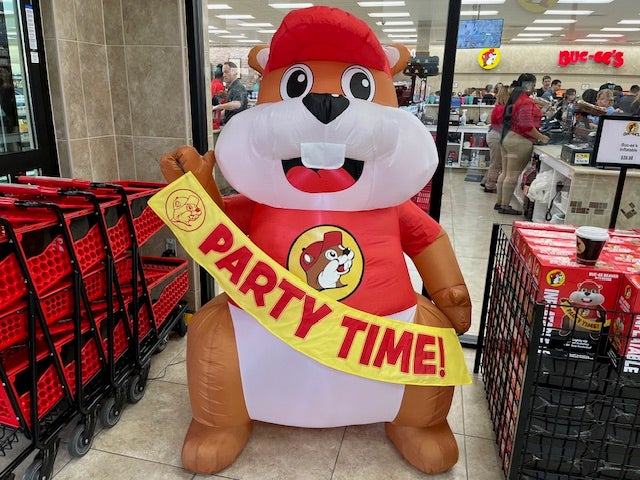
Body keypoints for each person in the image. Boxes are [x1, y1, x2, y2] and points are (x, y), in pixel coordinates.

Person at [496, 73, 549, 215]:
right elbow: (526, 125)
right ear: (529, 84)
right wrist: (542, 137)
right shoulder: (525, 101)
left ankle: (499, 202)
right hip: (520, 140)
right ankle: (505, 206)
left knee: (505, 173)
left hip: (508, 137)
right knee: (512, 175)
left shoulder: (515, 98)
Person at [481, 85, 510, 194]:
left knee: (494, 161)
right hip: (497, 136)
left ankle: (486, 181)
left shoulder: (498, 107)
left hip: (493, 134)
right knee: (497, 164)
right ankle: (489, 186)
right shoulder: (504, 109)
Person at [213, 61, 248, 126]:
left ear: (234, 72)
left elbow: (237, 104)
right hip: (231, 125)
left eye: (226, 72)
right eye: (223, 73)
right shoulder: (231, 88)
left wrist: (218, 107)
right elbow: (228, 112)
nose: (224, 75)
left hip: (237, 126)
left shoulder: (238, 87)